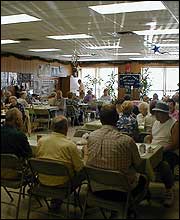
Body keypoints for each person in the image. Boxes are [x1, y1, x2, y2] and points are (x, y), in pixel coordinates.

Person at [86, 104, 149, 217]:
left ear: (100, 119)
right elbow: (139, 165)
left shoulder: (91, 136)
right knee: (145, 178)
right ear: (117, 119)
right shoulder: (127, 141)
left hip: (95, 188)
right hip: (122, 192)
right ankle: (130, 208)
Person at [35, 115, 85, 211]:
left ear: (52, 127)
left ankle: (56, 200)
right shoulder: (70, 145)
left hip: (42, 180)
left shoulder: (41, 141)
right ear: (66, 128)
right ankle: (86, 203)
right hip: (63, 184)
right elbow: (80, 168)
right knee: (84, 172)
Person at [145, 101, 179, 207]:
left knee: (163, 164)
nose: (155, 115)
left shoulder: (174, 124)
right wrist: (149, 145)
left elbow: (175, 144)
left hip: (170, 151)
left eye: (157, 113)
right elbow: (151, 137)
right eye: (155, 112)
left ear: (164, 113)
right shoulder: (156, 123)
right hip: (154, 150)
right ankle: (143, 189)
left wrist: (160, 150)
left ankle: (169, 190)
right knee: (139, 161)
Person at [1, 108, 33, 179]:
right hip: (15, 173)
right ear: (18, 120)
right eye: (21, 118)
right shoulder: (19, 136)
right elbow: (29, 155)